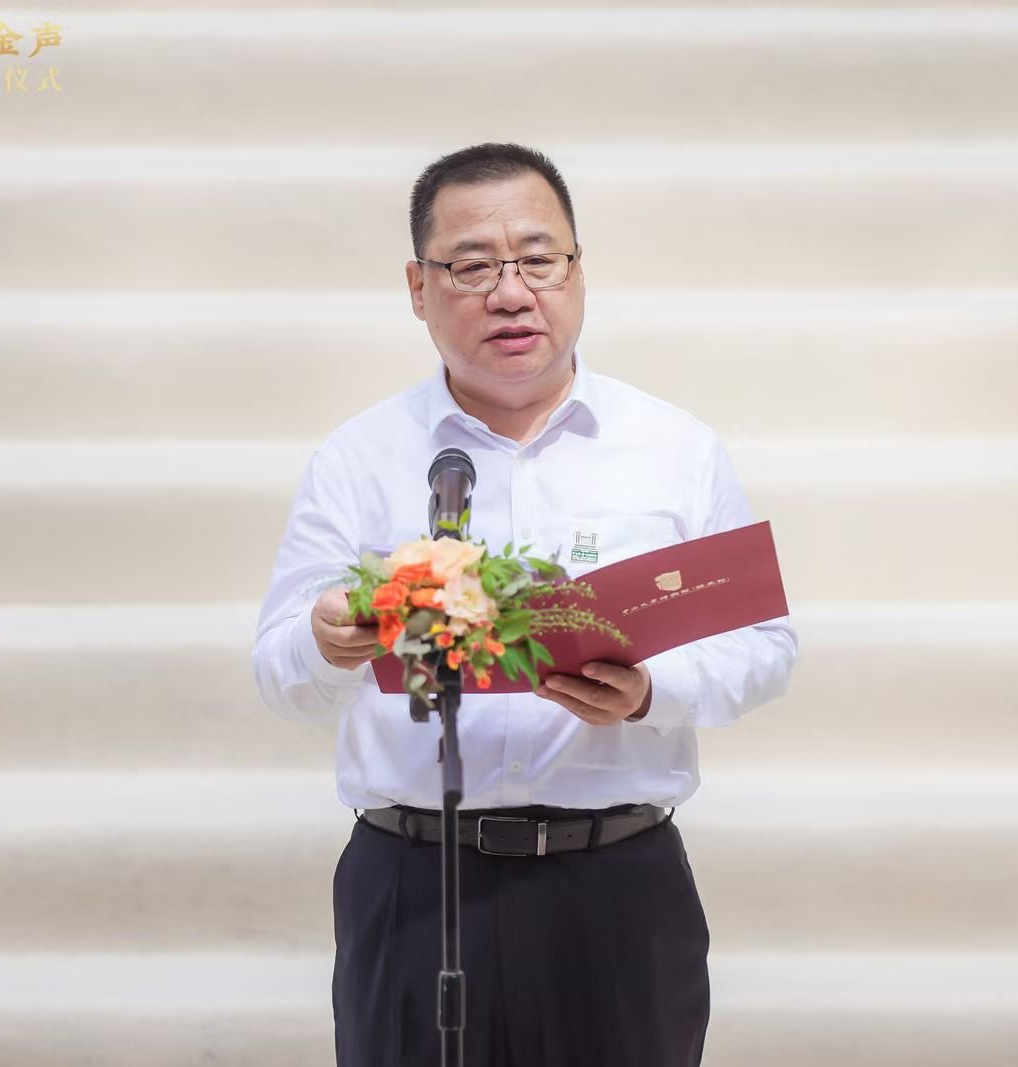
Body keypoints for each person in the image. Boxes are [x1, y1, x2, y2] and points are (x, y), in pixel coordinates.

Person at [251, 142, 798, 1067]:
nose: (511, 293)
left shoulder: (674, 448)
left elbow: (764, 647)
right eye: (472, 266)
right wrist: (322, 639)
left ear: (579, 272)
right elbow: (280, 676)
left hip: (614, 886)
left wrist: (649, 689)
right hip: (414, 882)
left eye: (539, 260)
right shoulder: (360, 456)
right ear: (419, 288)